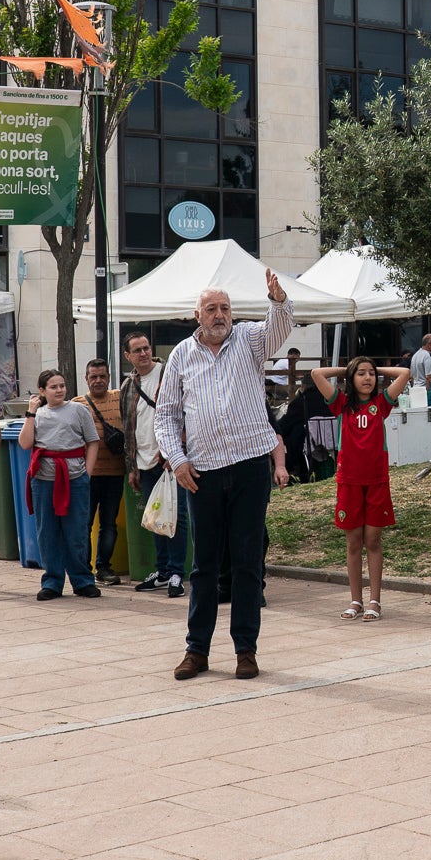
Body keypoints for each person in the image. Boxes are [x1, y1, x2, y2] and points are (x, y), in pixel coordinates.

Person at [157, 275, 294, 680]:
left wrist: (278, 299)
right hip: (202, 472)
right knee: (204, 565)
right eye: (212, 309)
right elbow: (166, 415)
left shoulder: (250, 340)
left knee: (248, 562)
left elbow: (279, 328)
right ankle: (196, 650)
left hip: (251, 466)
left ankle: (245, 651)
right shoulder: (182, 354)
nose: (220, 316)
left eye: (225, 308)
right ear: (197, 315)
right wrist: (177, 460)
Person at [310, 357, 410, 620]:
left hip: (377, 481)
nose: (367, 378)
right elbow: (316, 373)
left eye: (371, 374)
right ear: (351, 379)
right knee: (354, 542)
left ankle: (374, 601)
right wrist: (347, 368)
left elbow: (404, 372)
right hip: (349, 482)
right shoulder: (342, 404)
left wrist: (375, 367)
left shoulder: (382, 403)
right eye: (361, 374)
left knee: (373, 540)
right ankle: (356, 600)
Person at [21, 369, 101, 600]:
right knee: (47, 532)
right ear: (42, 391)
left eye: (62, 386)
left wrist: (88, 472)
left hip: (75, 478)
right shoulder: (38, 414)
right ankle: (53, 581)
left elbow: (92, 442)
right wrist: (31, 413)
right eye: (53, 387)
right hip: (43, 480)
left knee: (76, 530)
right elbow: (26, 443)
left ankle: (82, 580)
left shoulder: (78, 410)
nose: (59, 390)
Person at [121, 330, 190, 597]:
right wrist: (132, 466)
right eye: (137, 350)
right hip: (145, 462)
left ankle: (175, 573)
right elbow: (128, 428)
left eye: (146, 348)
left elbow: (184, 414)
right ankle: (162, 571)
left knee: (177, 517)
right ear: (127, 356)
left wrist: (177, 452)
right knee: (155, 518)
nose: (143, 353)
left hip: (171, 459)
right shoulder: (128, 386)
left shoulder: (168, 374)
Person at [76, 357, 129, 584]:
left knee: (109, 523)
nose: (98, 381)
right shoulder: (77, 404)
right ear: (86, 380)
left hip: (115, 474)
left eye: (102, 376)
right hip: (85, 476)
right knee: (84, 523)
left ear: (108, 378)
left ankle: (103, 568)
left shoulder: (120, 398)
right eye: (93, 377)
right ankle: (83, 569)